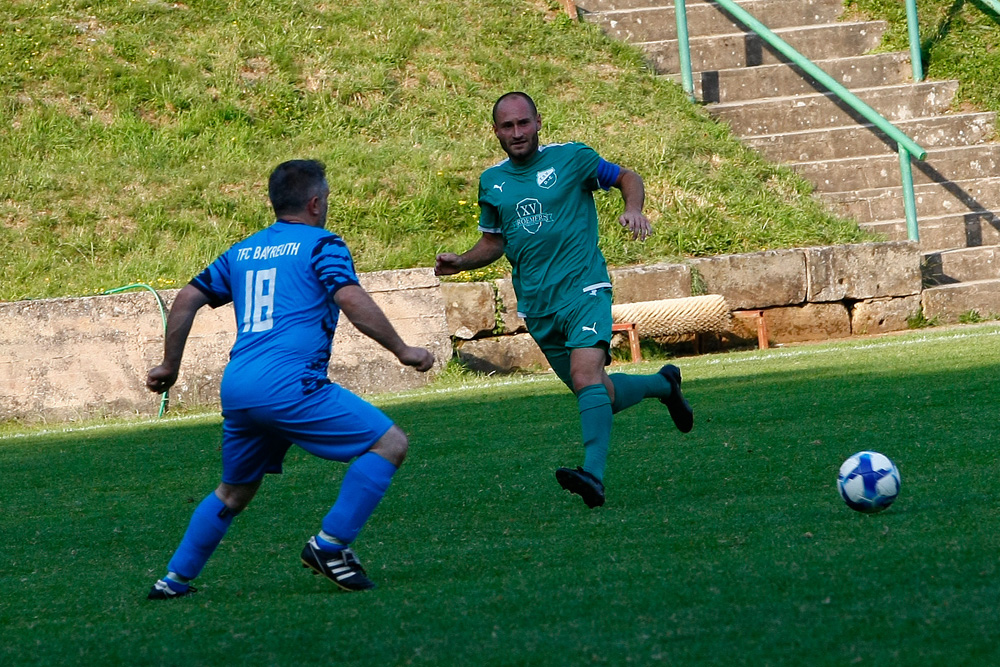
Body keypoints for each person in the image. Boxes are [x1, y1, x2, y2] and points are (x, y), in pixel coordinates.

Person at [145, 159, 435, 598]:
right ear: (316, 203)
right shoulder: (322, 245)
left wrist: (170, 366)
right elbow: (350, 297)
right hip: (288, 384)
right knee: (390, 443)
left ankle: (174, 580)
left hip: (239, 387)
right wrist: (403, 350)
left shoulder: (242, 251)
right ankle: (330, 545)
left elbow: (186, 298)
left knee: (234, 491)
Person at [435, 92, 693, 509]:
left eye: (523, 123)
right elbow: (494, 241)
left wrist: (634, 208)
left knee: (586, 376)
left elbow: (627, 176)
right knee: (597, 392)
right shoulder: (493, 182)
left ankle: (593, 475)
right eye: (507, 126)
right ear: (496, 131)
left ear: (538, 122)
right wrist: (463, 261)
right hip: (537, 305)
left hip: (584, 288)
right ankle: (665, 385)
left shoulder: (572, 159)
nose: (516, 132)